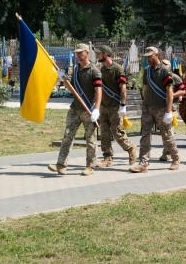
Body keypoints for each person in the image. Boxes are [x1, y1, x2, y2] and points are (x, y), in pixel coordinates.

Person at [48, 43, 103, 176]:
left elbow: (99, 91)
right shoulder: (76, 69)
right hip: (75, 108)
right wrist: (63, 79)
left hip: (88, 110)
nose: (78, 55)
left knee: (90, 139)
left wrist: (96, 109)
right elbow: (72, 88)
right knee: (67, 135)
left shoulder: (94, 70)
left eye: (80, 52)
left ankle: (90, 165)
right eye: (77, 52)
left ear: (87, 52)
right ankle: (61, 164)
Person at [129, 47, 184, 173]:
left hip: (161, 108)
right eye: (146, 57)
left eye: (150, 56)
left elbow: (170, 92)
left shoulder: (165, 72)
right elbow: (145, 88)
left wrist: (169, 111)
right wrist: (144, 103)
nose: (148, 59)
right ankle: (143, 163)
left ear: (156, 55)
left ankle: (175, 158)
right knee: (145, 135)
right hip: (148, 108)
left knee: (167, 135)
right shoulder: (147, 71)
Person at [94, 45, 137, 169]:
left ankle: (130, 148)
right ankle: (107, 158)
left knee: (117, 132)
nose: (97, 56)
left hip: (115, 106)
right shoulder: (101, 70)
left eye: (99, 53)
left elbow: (123, 88)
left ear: (106, 54)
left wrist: (123, 106)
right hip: (103, 106)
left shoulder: (117, 69)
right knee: (104, 133)